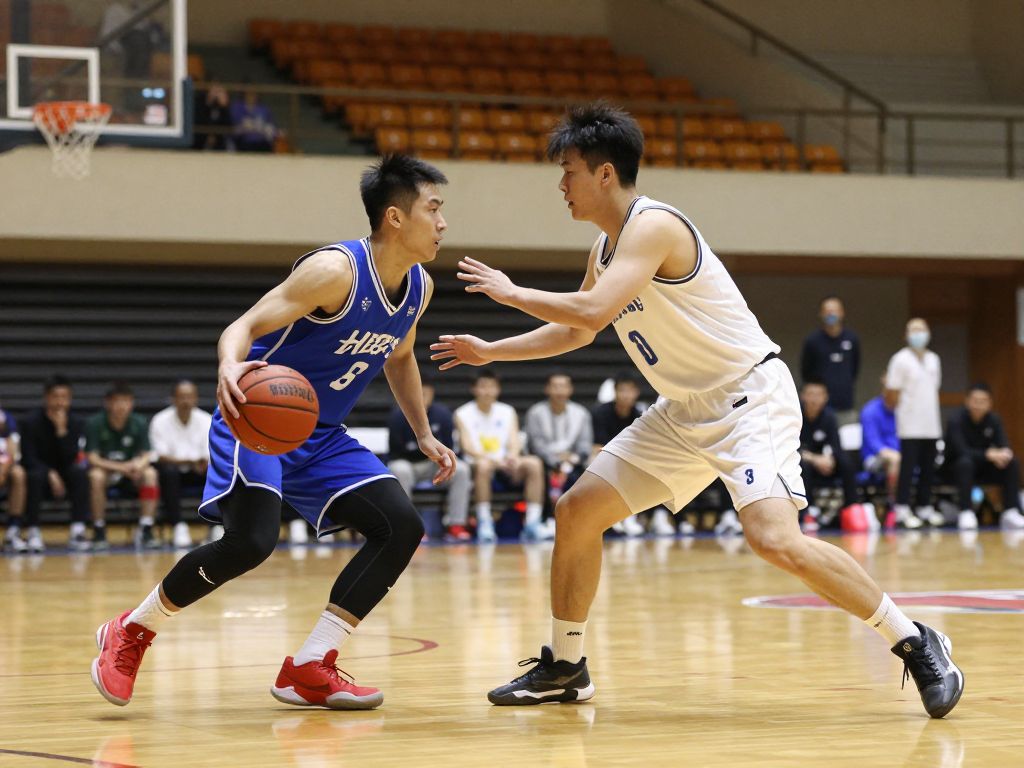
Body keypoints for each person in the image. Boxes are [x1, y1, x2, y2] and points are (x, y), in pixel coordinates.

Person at [431, 103, 962, 718]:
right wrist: (491, 350)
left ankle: (915, 640)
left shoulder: (654, 226)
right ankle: (566, 666)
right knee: (577, 511)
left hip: (747, 398)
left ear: (605, 174)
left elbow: (593, 311)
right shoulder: (604, 249)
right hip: (682, 411)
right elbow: (577, 331)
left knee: (773, 540)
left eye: (568, 171)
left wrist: (511, 291)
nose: (562, 184)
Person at [90, 155, 456, 712]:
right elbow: (242, 327)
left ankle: (311, 665)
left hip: (321, 433)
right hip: (256, 419)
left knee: (400, 526)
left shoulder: (418, 288)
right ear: (395, 217)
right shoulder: (334, 271)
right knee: (252, 542)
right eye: (434, 209)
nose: (443, 223)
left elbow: (400, 357)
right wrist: (228, 367)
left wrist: (423, 432)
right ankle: (131, 629)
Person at [453, 369, 546, 542]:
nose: (487, 391)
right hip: (478, 464)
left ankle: (533, 522)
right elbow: (468, 447)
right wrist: (495, 461)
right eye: (483, 386)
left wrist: (512, 456)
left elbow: (514, 440)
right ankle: (484, 522)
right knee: (483, 466)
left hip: (505, 463)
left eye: (492, 386)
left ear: (498, 389)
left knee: (534, 463)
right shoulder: (462, 413)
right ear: (474, 389)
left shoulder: (507, 411)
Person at [590, 371, 684, 536]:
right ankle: (615, 517)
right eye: (622, 390)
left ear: (636, 392)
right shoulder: (601, 413)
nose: (626, 395)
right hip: (607, 457)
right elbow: (597, 446)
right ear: (615, 392)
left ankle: (651, 517)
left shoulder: (642, 414)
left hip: (632, 458)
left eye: (630, 390)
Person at [387, 375, 472, 541]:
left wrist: (440, 459)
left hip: (434, 464)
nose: (421, 397)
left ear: (432, 394)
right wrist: (424, 449)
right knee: (399, 469)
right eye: (417, 393)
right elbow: (395, 451)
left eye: (425, 393)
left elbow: (448, 446)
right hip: (410, 465)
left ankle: (456, 524)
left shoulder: (443, 414)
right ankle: (408, 526)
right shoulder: (397, 416)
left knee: (461, 469)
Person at [17, 375, 90, 552]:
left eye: (64, 397)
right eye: (55, 397)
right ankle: (33, 531)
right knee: (34, 476)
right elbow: (28, 457)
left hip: (65, 472)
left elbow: (72, 457)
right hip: (39, 472)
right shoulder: (30, 422)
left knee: (80, 473)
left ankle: (78, 530)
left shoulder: (76, 422)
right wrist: (50, 473)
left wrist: (61, 431)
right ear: (46, 398)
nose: (60, 402)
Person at [85, 382, 159, 551]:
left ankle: (146, 527)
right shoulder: (95, 423)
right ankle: (98, 528)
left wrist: (138, 466)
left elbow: (146, 454)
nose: (122, 406)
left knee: (150, 474)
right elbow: (92, 458)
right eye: (117, 401)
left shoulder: (139, 422)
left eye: (126, 401)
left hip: (131, 473)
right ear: (108, 403)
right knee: (95, 476)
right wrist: (120, 467)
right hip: (107, 471)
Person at [885, 319, 943, 529]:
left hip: (931, 424)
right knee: (908, 469)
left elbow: (935, 387)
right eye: (914, 330)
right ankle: (902, 509)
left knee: (928, 468)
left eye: (922, 329)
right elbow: (892, 393)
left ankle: (924, 507)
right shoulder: (900, 359)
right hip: (909, 425)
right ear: (906, 335)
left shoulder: (934, 359)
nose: (918, 334)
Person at [944, 383, 1024, 531]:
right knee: (965, 463)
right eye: (975, 400)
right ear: (967, 401)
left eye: (983, 401)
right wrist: (988, 454)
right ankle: (966, 511)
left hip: (984, 469)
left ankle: (1011, 511)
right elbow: (961, 451)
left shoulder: (994, 420)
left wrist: (1003, 455)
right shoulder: (955, 421)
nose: (978, 405)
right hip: (956, 470)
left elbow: (1004, 445)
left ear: (989, 403)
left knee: (1012, 462)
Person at [149, 380, 213, 549]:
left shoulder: (206, 419)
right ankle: (178, 526)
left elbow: (209, 454)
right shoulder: (160, 420)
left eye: (189, 397)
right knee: (168, 472)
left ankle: (215, 526)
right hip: (171, 473)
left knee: (216, 472)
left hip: (198, 471)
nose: (186, 401)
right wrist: (190, 461)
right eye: (181, 397)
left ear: (196, 398)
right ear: (173, 399)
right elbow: (160, 456)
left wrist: (202, 463)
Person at [798, 380, 867, 531]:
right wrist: (815, 459)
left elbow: (836, 446)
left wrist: (829, 459)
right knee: (803, 466)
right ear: (802, 396)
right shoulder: (795, 416)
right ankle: (807, 512)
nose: (814, 399)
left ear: (825, 397)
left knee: (846, 462)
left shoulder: (829, 416)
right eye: (810, 394)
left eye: (818, 395)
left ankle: (851, 508)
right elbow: (792, 448)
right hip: (804, 462)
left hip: (824, 463)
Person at [524, 371, 593, 505]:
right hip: (545, 462)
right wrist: (556, 461)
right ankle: (538, 513)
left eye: (563, 386)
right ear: (547, 389)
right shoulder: (535, 413)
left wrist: (572, 460)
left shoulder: (581, 413)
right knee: (537, 468)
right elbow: (536, 445)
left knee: (591, 466)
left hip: (573, 462)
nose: (560, 391)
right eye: (555, 386)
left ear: (570, 389)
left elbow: (584, 444)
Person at [800, 296, 860, 423]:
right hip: (820, 409)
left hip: (845, 405)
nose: (831, 314)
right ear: (821, 314)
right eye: (827, 311)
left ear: (842, 313)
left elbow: (855, 369)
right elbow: (806, 372)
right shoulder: (812, 341)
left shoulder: (852, 339)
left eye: (834, 310)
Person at [860, 376, 901, 504]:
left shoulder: (902, 411)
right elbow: (873, 443)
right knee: (894, 460)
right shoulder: (870, 411)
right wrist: (892, 455)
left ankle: (920, 505)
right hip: (874, 458)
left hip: (901, 456)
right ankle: (894, 504)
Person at [1, 400, 27, 552]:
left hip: (4, 465)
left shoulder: (6, 418)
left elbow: (13, 450)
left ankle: (13, 530)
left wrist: (3, 470)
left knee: (18, 473)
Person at [230, 87, 279, 152]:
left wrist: (264, 128)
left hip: (261, 142)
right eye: (249, 94)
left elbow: (271, 128)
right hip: (244, 142)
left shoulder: (263, 109)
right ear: (244, 95)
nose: (251, 97)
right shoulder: (237, 107)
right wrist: (244, 127)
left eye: (254, 94)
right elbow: (234, 127)